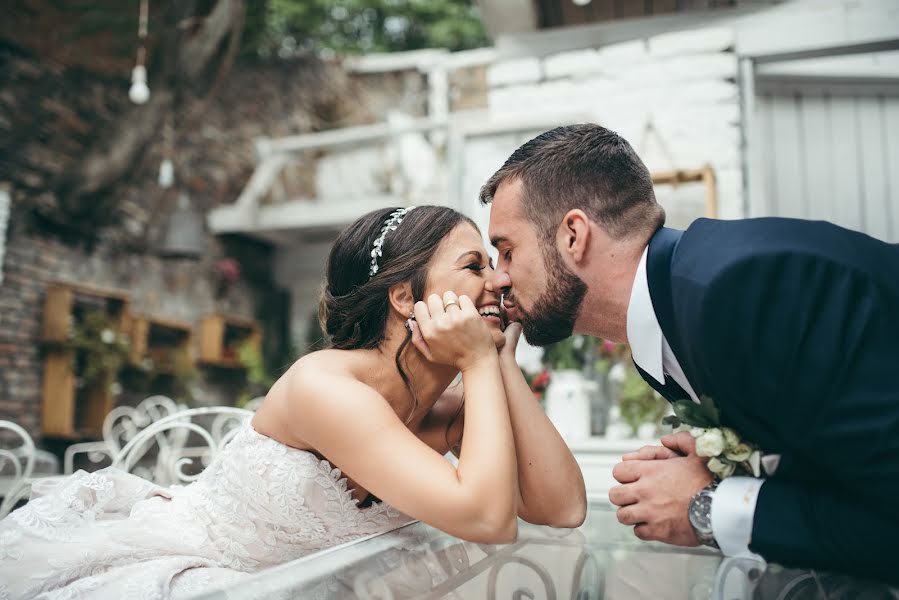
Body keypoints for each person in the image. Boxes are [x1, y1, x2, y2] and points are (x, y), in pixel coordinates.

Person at [0, 205, 586, 599]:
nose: (499, 281)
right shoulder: (324, 387)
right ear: (407, 297)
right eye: (474, 265)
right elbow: (487, 519)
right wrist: (479, 361)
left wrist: (499, 360)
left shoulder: (456, 405)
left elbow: (561, 510)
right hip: (194, 571)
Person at [479, 123, 899, 584]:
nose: (498, 278)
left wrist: (710, 507)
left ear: (573, 235)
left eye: (506, 251)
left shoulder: (745, 289)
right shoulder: (672, 313)